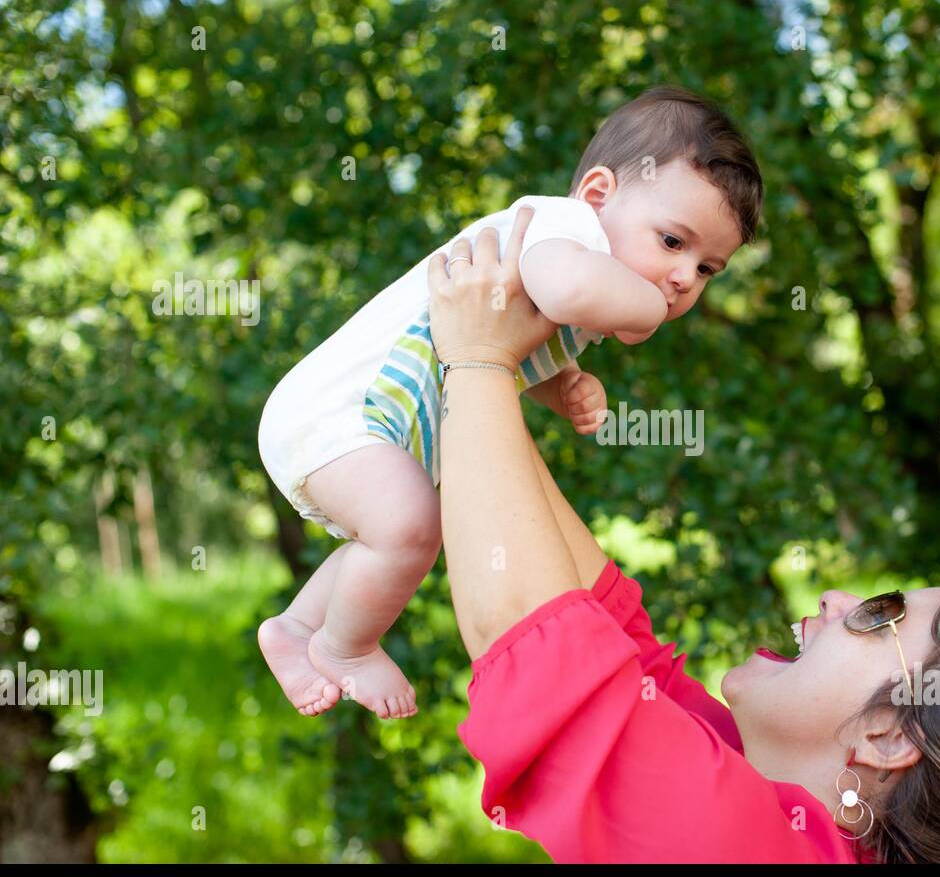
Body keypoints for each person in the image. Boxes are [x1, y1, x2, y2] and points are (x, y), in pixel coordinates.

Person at [424, 209, 940, 864]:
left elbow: (543, 658)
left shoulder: (746, 848)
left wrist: (476, 361)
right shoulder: (776, 802)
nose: (838, 596)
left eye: (879, 613)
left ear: (888, 736)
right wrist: (495, 373)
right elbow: (609, 635)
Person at [254, 87, 762, 718]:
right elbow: (564, 286)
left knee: (392, 532)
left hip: (371, 428)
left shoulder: (581, 271)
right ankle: (345, 647)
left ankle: (297, 630)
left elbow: (516, 340)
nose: (685, 277)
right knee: (410, 524)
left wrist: (564, 383)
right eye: (671, 242)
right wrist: (651, 309)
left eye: (708, 268)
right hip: (338, 411)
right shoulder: (561, 226)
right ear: (599, 195)